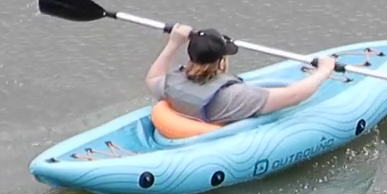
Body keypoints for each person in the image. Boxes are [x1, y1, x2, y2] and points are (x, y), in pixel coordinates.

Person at [145, 25, 339, 126]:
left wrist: (173, 42)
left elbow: (152, 78)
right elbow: (293, 96)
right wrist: (324, 70)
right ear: (221, 61)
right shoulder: (234, 96)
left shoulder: (171, 82)